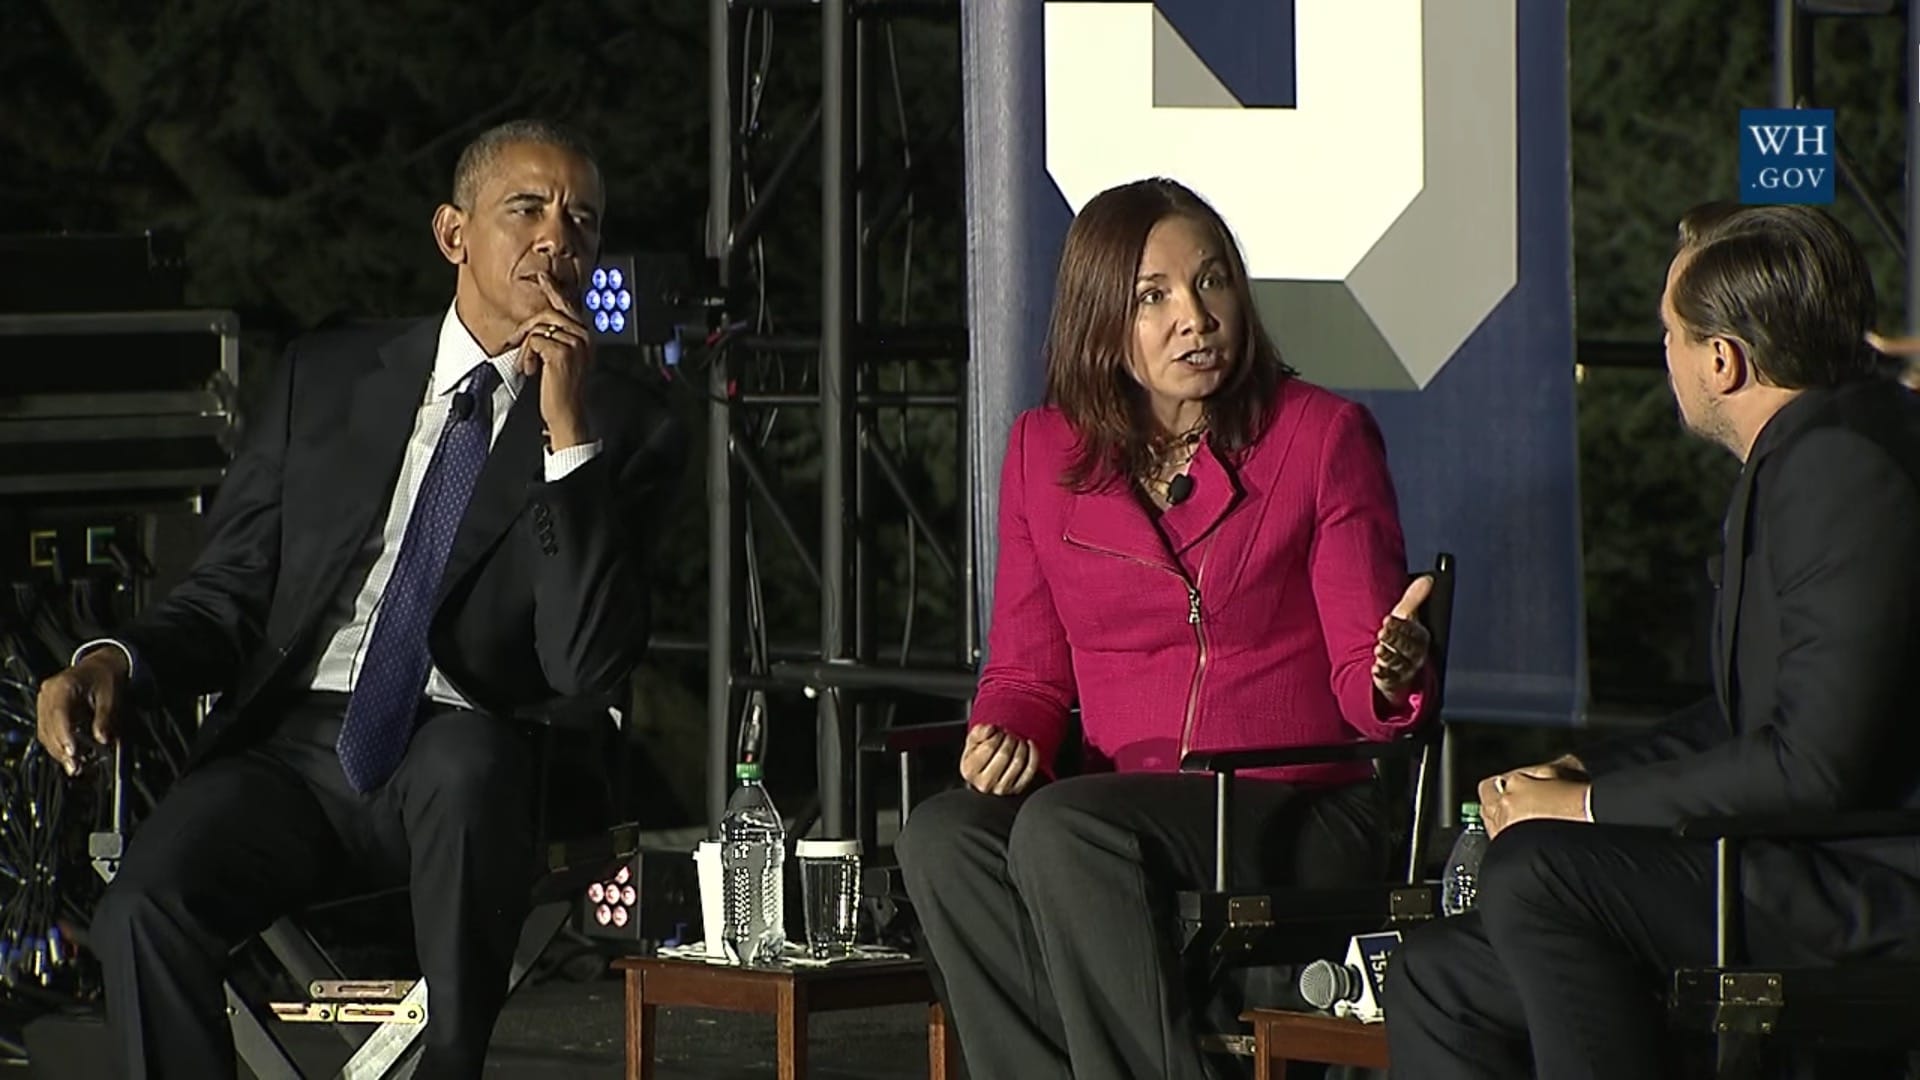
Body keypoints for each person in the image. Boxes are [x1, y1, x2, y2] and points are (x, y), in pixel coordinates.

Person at [34, 119, 684, 1079]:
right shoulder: (327, 378)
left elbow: (587, 662)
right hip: (294, 752)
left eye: (581, 221)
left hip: (464, 745)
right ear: (452, 234)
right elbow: (226, 594)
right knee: (142, 910)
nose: (559, 240)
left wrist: (566, 436)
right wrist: (108, 663)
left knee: (464, 764)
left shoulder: (630, 426)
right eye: (528, 209)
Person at [895, 178, 1434, 1080]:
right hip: (1115, 801)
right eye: (1155, 296)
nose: (1197, 315)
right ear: (1105, 322)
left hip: (1291, 805)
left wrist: (1391, 670)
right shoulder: (1043, 453)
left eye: (1213, 282)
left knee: (1064, 830)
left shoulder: (1321, 436)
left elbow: (1361, 674)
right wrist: (1008, 736)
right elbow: (1026, 672)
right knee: (943, 838)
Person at [1386, 203, 1920, 1079]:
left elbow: (1814, 768)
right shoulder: (1815, 450)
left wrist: (1583, 814)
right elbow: (1744, 717)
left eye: (1667, 333)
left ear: (1722, 360)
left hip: (1861, 885)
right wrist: (1590, 778)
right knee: (1439, 978)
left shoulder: (1843, 467)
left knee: (1539, 873)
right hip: (1794, 861)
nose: (1663, 353)